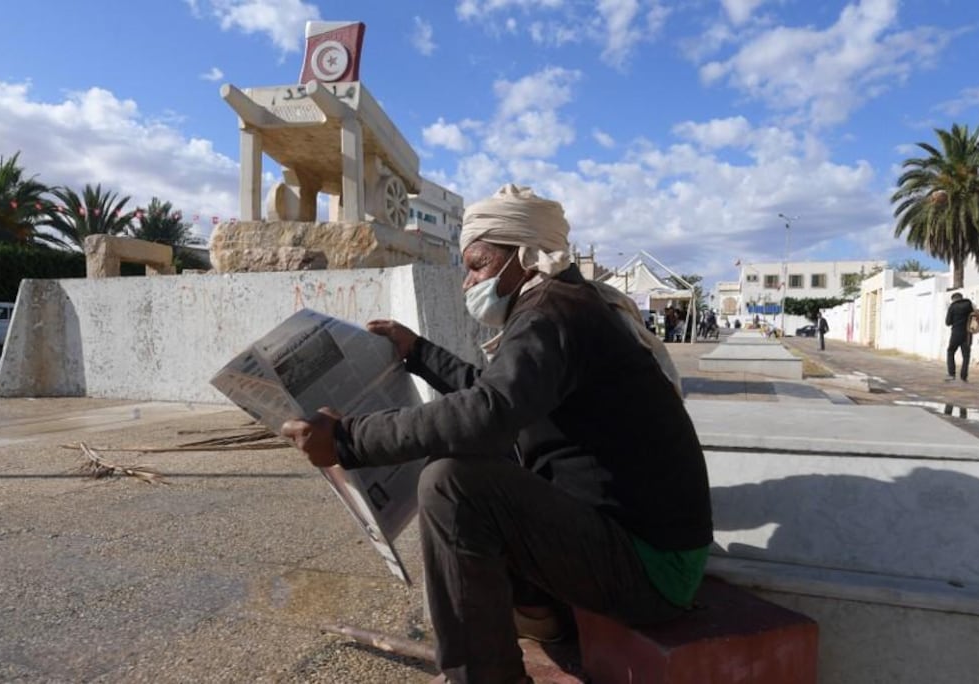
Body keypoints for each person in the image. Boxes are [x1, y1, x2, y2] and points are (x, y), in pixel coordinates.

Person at [281, 185, 713, 683]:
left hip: (653, 572)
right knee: (490, 464)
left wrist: (348, 440)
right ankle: (541, 614)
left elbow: (490, 410)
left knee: (452, 484)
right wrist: (419, 352)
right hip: (644, 551)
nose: (468, 281)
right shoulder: (566, 303)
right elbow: (502, 398)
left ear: (524, 257)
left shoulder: (553, 313)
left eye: (478, 264)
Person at [945, 292, 974, 383]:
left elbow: (948, 322)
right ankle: (964, 376)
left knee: (950, 352)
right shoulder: (969, 305)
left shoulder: (952, 307)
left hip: (956, 334)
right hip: (967, 334)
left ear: (953, 299)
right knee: (966, 356)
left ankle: (951, 374)